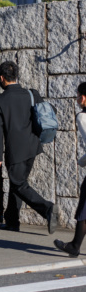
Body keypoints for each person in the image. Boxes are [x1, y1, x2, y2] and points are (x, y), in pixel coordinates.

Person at [0, 60, 57, 234]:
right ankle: (12, 221)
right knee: (17, 184)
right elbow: (49, 111)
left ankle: (47, 208)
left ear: (1, 77)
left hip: (15, 150)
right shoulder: (31, 94)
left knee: (18, 184)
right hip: (33, 146)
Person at [53, 82, 86, 257]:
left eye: (78, 95)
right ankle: (74, 245)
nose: (77, 98)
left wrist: (82, 161)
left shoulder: (82, 117)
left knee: (84, 208)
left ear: (84, 97)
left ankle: (74, 246)